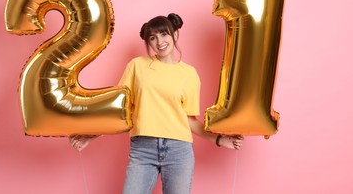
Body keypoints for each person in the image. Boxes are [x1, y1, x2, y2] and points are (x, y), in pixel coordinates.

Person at [70, 13, 244, 194]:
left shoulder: (189, 74)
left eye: (164, 34)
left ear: (175, 35)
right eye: (153, 37)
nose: (159, 41)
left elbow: (190, 121)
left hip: (179, 151)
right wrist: (90, 136)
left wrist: (220, 140)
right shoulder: (137, 66)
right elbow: (119, 111)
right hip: (142, 149)